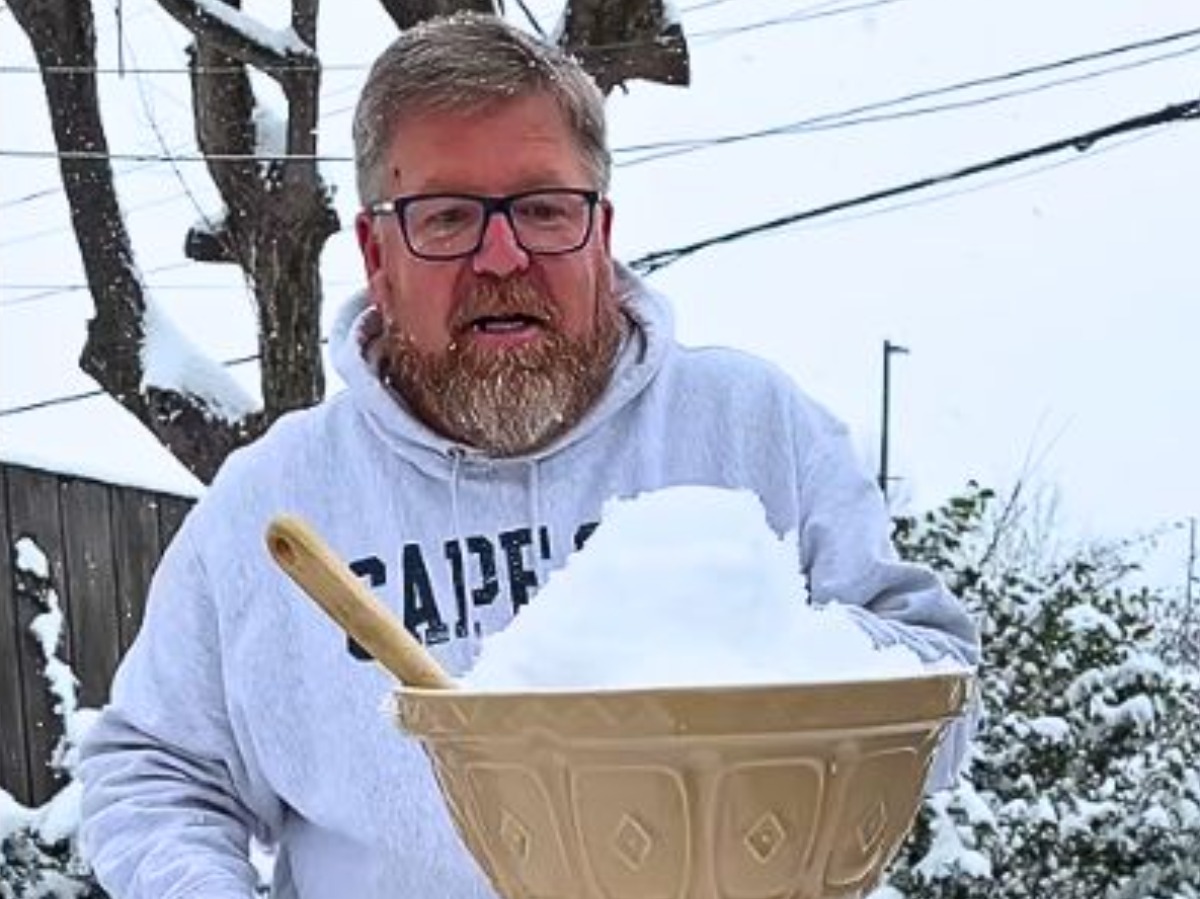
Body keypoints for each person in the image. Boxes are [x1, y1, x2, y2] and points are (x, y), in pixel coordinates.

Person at [78, 13, 980, 899]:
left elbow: (940, 702)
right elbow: (153, 768)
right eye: (446, 217)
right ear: (377, 253)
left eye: (546, 209)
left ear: (601, 230)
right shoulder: (273, 501)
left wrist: (755, 689)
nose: (502, 255)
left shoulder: (749, 432)